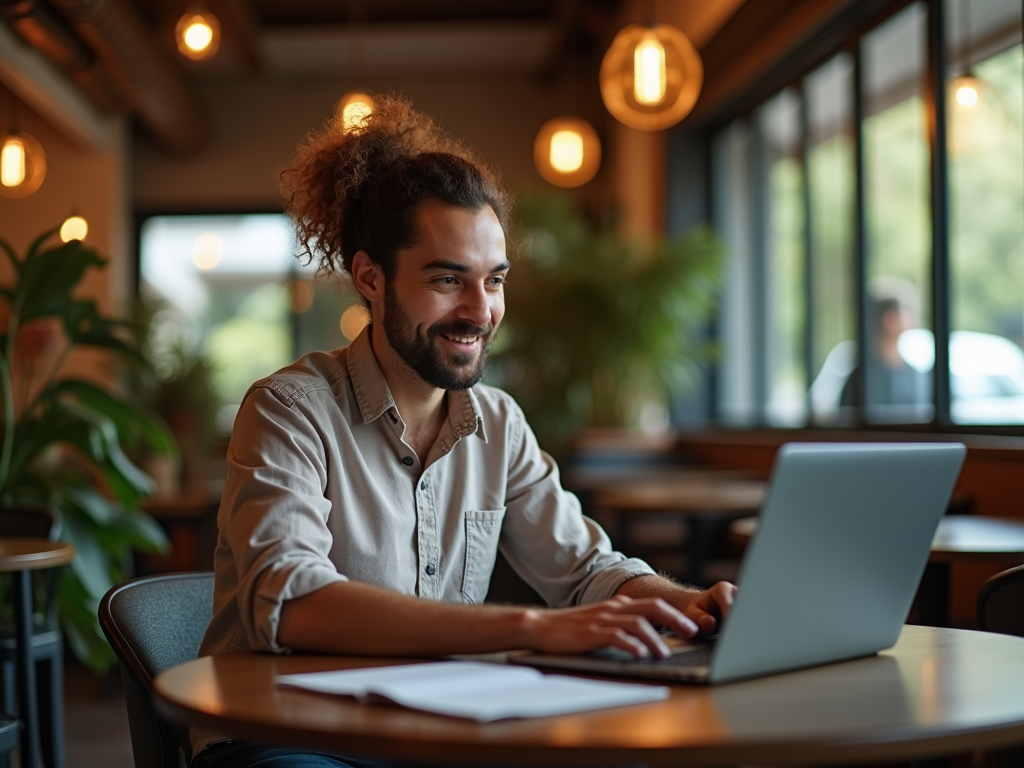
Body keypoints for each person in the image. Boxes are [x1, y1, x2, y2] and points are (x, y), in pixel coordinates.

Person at [191, 95, 735, 768]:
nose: (479, 311)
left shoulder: (498, 422)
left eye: (494, 281)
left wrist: (691, 605)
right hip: (285, 735)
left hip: (433, 731)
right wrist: (535, 628)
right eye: (448, 280)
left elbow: (586, 570)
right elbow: (294, 603)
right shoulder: (288, 410)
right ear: (371, 278)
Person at [840, 278, 931, 413]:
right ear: (889, 319)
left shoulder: (912, 374)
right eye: (908, 311)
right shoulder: (863, 377)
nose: (914, 318)